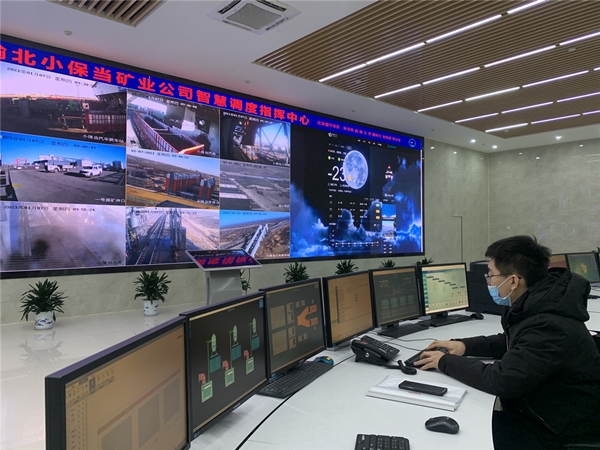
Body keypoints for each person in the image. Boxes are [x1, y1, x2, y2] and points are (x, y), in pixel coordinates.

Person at [414, 235, 600, 450]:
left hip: (556, 429)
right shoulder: (542, 304)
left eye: (491, 275)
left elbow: (502, 380)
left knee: (459, 438)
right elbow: (516, 342)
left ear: (513, 281)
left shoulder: (550, 325)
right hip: (545, 411)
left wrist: (444, 362)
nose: (489, 281)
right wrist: (465, 346)